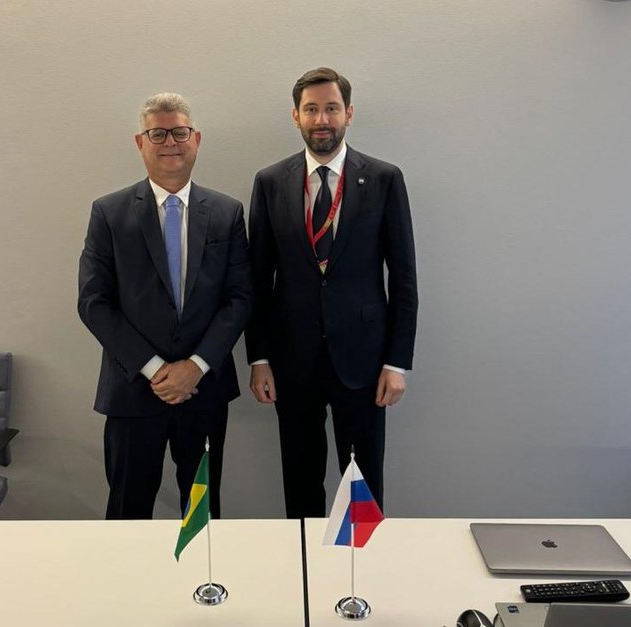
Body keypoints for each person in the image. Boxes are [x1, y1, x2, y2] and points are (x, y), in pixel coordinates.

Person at [246, 68, 418, 518]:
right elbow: (258, 280)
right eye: (311, 109)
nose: (322, 119)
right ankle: (306, 558)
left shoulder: (383, 178)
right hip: (292, 360)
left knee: (362, 485)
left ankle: (360, 560)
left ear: (349, 113)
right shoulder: (270, 182)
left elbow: (403, 278)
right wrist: (259, 358)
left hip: (364, 362)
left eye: (331, 108)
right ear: (296, 116)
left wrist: (396, 362)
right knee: (300, 478)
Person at [78, 93, 251, 520]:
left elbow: (240, 298)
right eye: (158, 134)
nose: (170, 142)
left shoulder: (227, 213)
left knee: (201, 514)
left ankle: (199, 573)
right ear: (141, 142)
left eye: (179, 132)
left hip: (203, 389)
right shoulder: (109, 213)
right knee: (128, 512)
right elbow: (94, 302)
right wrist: (156, 369)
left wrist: (196, 365)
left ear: (196, 139)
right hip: (133, 391)